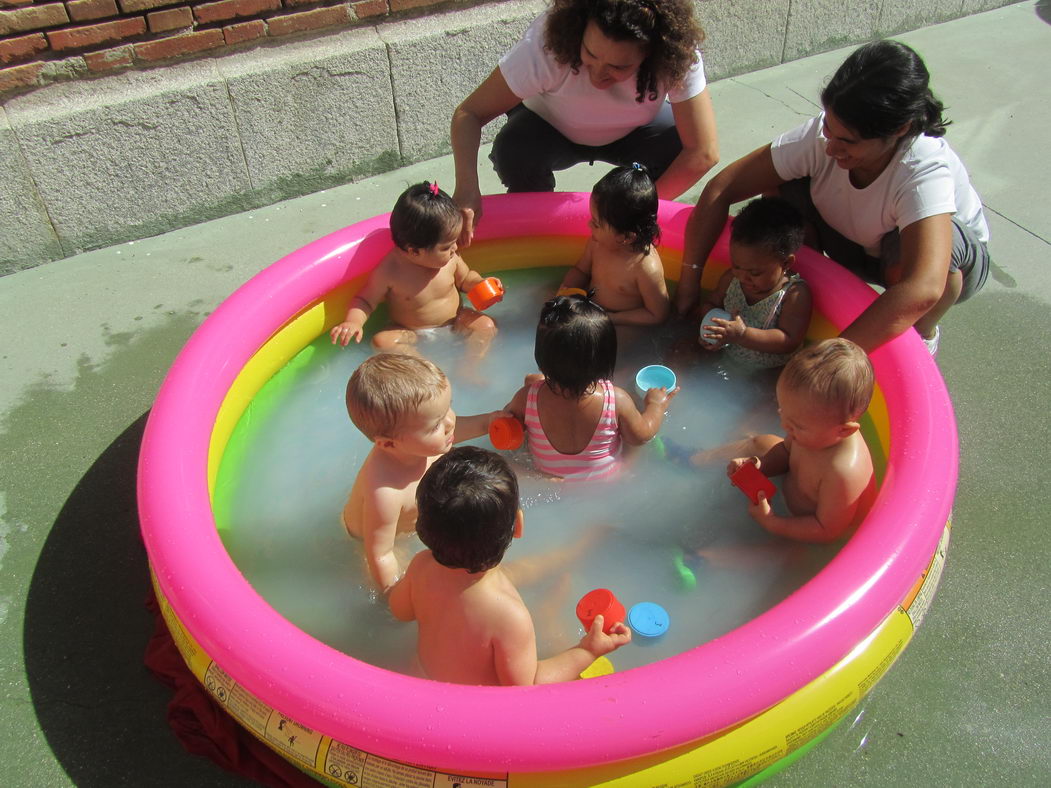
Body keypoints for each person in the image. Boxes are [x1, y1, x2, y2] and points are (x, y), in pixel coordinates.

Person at [676, 40, 989, 355]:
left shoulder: (923, 168)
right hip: (851, 237)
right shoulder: (822, 138)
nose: (830, 147)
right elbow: (722, 188)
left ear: (899, 129)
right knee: (780, 185)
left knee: (940, 275)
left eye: (848, 141)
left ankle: (919, 335)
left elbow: (924, 287)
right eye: (828, 127)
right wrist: (689, 285)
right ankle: (799, 300)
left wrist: (825, 357)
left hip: (911, 259)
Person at [451, 0, 718, 246]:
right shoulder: (547, 43)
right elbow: (469, 113)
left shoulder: (675, 56)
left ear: (651, 54)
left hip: (634, 133)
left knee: (674, 142)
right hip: (548, 128)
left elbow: (702, 152)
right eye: (590, 54)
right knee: (515, 149)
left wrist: (638, 212)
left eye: (619, 66)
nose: (598, 76)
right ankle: (535, 224)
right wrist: (466, 188)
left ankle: (636, 221)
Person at [388, 446, 632, 685]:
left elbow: (400, 610)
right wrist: (587, 651)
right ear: (518, 525)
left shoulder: (421, 566)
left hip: (420, 678)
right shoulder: (508, 616)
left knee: (517, 573)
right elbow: (526, 686)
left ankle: (565, 560)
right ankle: (551, 612)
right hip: (473, 708)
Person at [341, 353, 505, 591]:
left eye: (448, 408)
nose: (450, 421)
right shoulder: (385, 492)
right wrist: (394, 596)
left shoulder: (420, 442)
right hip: (381, 539)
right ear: (388, 444)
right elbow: (381, 555)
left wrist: (490, 422)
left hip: (417, 520)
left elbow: (454, 431)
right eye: (436, 424)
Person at [504, 293, 677, 481]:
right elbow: (641, 436)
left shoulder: (526, 397)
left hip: (549, 481)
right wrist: (655, 406)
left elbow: (507, 423)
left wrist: (531, 400)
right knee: (633, 444)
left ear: (541, 357)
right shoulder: (616, 400)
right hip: (604, 482)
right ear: (606, 361)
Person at [725, 339, 875, 543]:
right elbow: (787, 451)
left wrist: (774, 523)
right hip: (785, 498)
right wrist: (759, 467)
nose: (785, 426)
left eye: (796, 426)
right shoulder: (813, 430)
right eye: (782, 412)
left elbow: (827, 530)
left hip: (805, 530)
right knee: (761, 442)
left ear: (844, 431)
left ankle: (699, 559)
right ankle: (692, 458)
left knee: (778, 555)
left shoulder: (843, 472)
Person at [329, 182, 498, 358]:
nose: (455, 248)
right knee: (383, 342)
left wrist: (479, 284)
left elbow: (465, 279)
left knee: (485, 325)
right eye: (447, 246)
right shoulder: (391, 271)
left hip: (456, 320)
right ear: (414, 251)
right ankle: (426, 370)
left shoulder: (450, 259)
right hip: (409, 332)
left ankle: (470, 367)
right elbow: (365, 300)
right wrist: (353, 322)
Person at [697, 196, 811, 368]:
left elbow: (789, 340)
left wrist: (743, 335)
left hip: (768, 371)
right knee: (683, 352)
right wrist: (714, 329)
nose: (743, 277)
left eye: (754, 272)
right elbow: (712, 303)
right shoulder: (731, 278)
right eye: (736, 266)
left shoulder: (793, 295)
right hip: (726, 354)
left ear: (786, 263)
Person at [558, 163, 670, 325]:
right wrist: (565, 290)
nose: (589, 226)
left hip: (622, 321)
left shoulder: (645, 267)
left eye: (596, 224)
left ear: (626, 237)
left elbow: (657, 314)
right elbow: (581, 270)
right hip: (591, 309)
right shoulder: (597, 244)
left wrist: (611, 319)